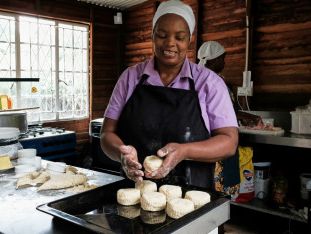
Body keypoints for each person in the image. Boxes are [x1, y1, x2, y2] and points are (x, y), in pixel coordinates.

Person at [100, 0, 240, 194]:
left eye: (180, 37)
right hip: (134, 191)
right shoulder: (130, 78)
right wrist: (121, 155)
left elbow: (229, 142)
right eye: (162, 35)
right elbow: (107, 133)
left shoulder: (210, 83)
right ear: (152, 35)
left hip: (192, 194)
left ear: (189, 39)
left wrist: (184, 152)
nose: (170, 43)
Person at [197, 41, 264, 128]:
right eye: (222, 58)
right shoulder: (204, 81)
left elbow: (227, 109)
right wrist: (241, 117)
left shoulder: (216, 80)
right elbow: (209, 112)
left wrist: (249, 116)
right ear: (214, 60)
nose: (224, 62)